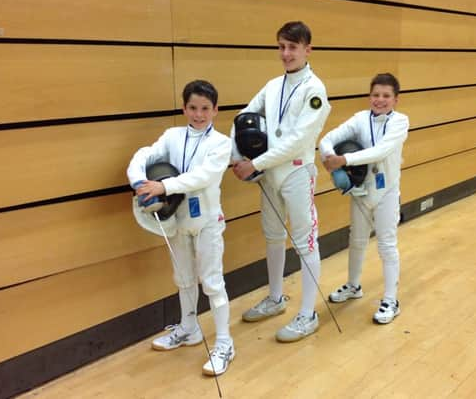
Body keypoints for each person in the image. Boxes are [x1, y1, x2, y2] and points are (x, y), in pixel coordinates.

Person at [232, 21, 331, 342]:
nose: (286, 53)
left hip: (297, 174)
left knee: (305, 242)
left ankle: (308, 313)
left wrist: (255, 163)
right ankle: (275, 298)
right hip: (270, 176)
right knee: (273, 236)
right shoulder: (273, 85)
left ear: (307, 49)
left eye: (292, 47)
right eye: (282, 47)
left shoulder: (314, 90)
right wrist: (236, 156)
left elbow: (298, 139)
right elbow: (244, 117)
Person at [127, 80, 234, 375]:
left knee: (212, 281)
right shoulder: (172, 136)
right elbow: (143, 154)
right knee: (184, 278)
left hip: (208, 223)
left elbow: (201, 177)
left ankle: (224, 342)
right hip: (177, 221)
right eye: (192, 108)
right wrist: (138, 181)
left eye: (205, 109)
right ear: (184, 108)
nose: (198, 114)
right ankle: (189, 328)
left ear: (215, 110)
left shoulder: (222, 143)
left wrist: (162, 186)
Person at [319, 73, 409, 324]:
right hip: (361, 193)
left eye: (386, 96)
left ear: (395, 99)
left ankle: (391, 299)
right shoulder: (360, 119)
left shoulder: (400, 122)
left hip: (387, 193)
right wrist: (331, 162)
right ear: (370, 96)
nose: (380, 100)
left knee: (386, 246)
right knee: (356, 241)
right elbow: (327, 140)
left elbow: (381, 150)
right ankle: (353, 286)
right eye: (376, 95)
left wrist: (344, 160)